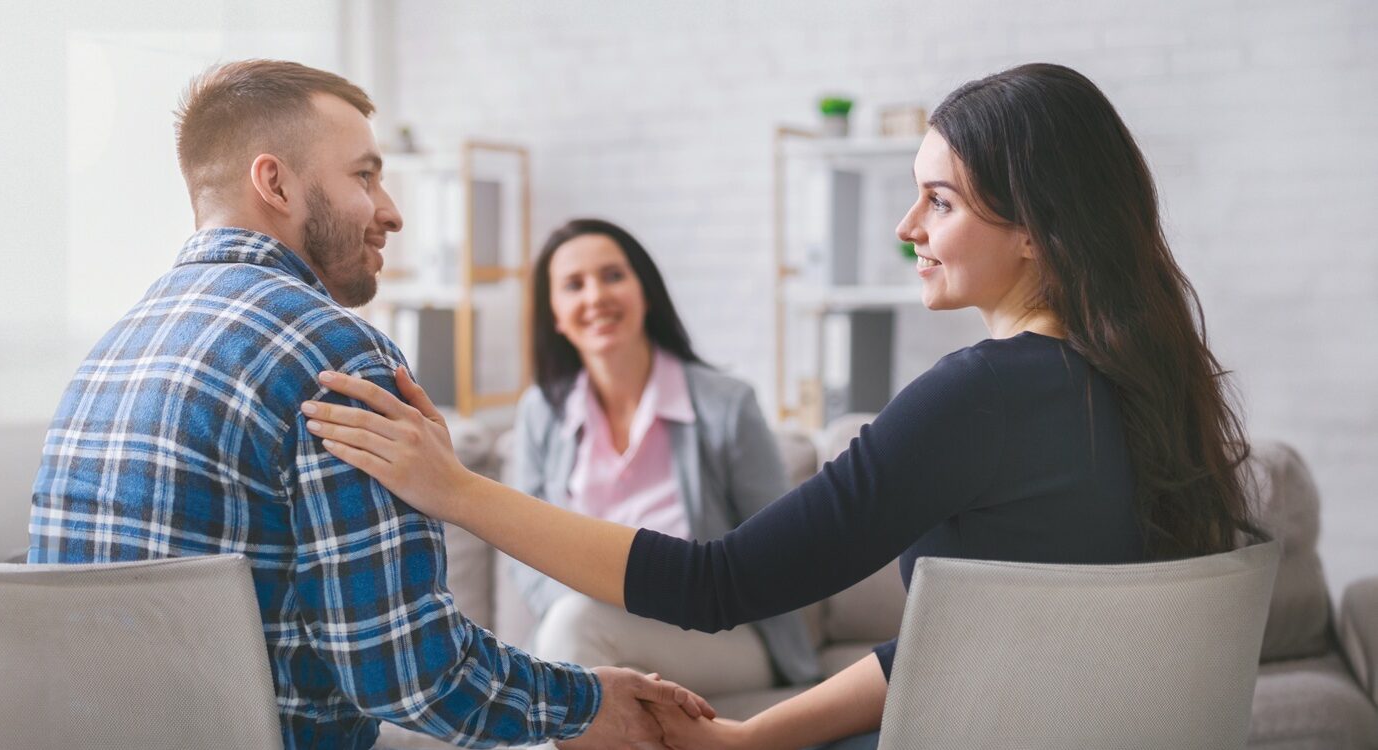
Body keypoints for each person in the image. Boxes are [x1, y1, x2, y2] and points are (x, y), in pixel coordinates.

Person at [300, 62, 1263, 749]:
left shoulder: (982, 395)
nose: (906, 228)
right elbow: (951, 646)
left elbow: (717, 586)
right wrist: (754, 741)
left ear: (1034, 231)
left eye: (941, 203)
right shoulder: (1148, 390)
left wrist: (458, 490)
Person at [28, 59, 709, 750]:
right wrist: (585, 704)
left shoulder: (112, 349)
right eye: (364, 175)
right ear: (275, 183)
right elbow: (412, 674)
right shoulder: (336, 354)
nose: (392, 210)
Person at [507, 218, 820, 694]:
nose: (596, 297)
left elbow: (780, 549)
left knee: (578, 629)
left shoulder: (727, 405)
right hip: (584, 629)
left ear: (645, 292)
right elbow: (522, 548)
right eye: (573, 285)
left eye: (613, 275)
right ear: (554, 313)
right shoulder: (541, 411)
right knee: (576, 626)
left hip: (720, 636)